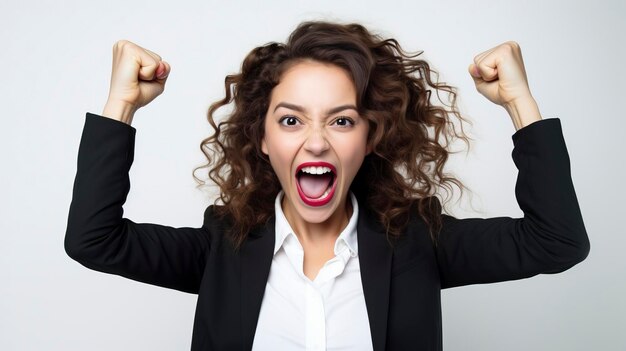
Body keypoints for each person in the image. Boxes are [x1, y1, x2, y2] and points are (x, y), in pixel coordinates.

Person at [65, 21, 589, 351]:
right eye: (291, 121)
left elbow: (557, 242)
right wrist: (122, 106)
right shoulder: (220, 247)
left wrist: (520, 103)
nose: (316, 143)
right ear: (263, 139)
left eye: (341, 121)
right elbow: (94, 240)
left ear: (369, 138)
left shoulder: (417, 243)